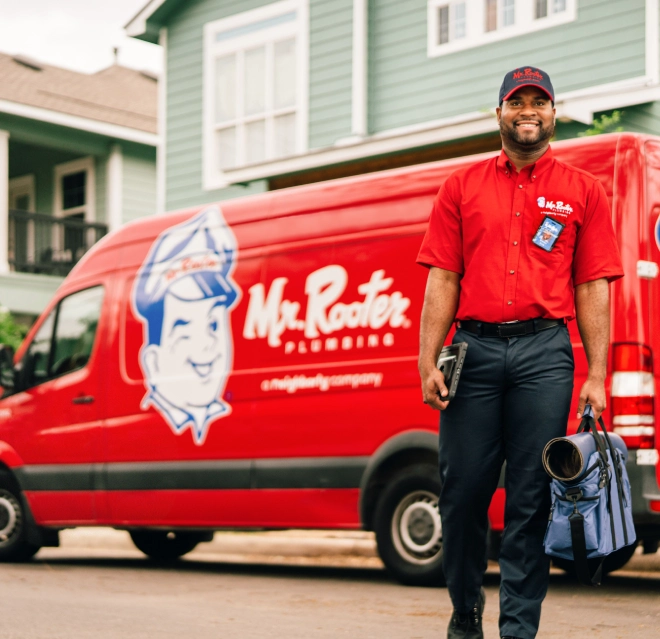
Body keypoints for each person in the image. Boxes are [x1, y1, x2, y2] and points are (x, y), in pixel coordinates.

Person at [417, 66, 624, 639]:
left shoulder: (584, 191)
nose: (527, 110)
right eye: (517, 101)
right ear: (500, 113)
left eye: (539, 101)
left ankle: (517, 630)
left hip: (544, 354)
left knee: (531, 499)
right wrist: (427, 358)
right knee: (461, 496)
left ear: (554, 114)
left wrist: (597, 373)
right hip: (473, 351)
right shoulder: (460, 187)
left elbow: (593, 285)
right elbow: (442, 275)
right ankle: (464, 617)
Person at [133, 205, 240, 445]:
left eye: (213, 326)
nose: (207, 344)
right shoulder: (147, 426)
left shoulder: (221, 411)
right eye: (185, 331)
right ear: (152, 362)